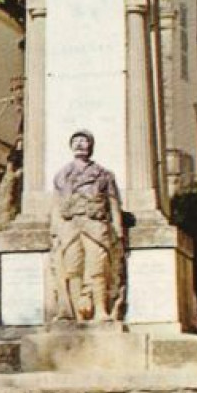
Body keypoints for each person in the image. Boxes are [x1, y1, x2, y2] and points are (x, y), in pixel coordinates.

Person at [51, 129, 125, 321]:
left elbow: (113, 201)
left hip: (95, 224)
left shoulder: (104, 174)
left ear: (91, 145)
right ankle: (78, 314)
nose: (79, 144)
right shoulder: (62, 175)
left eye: (84, 141)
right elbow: (56, 204)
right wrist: (55, 231)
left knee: (97, 266)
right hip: (70, 226)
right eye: (75, 141)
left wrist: (118, 227)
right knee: (72, 268)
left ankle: (101, 310)